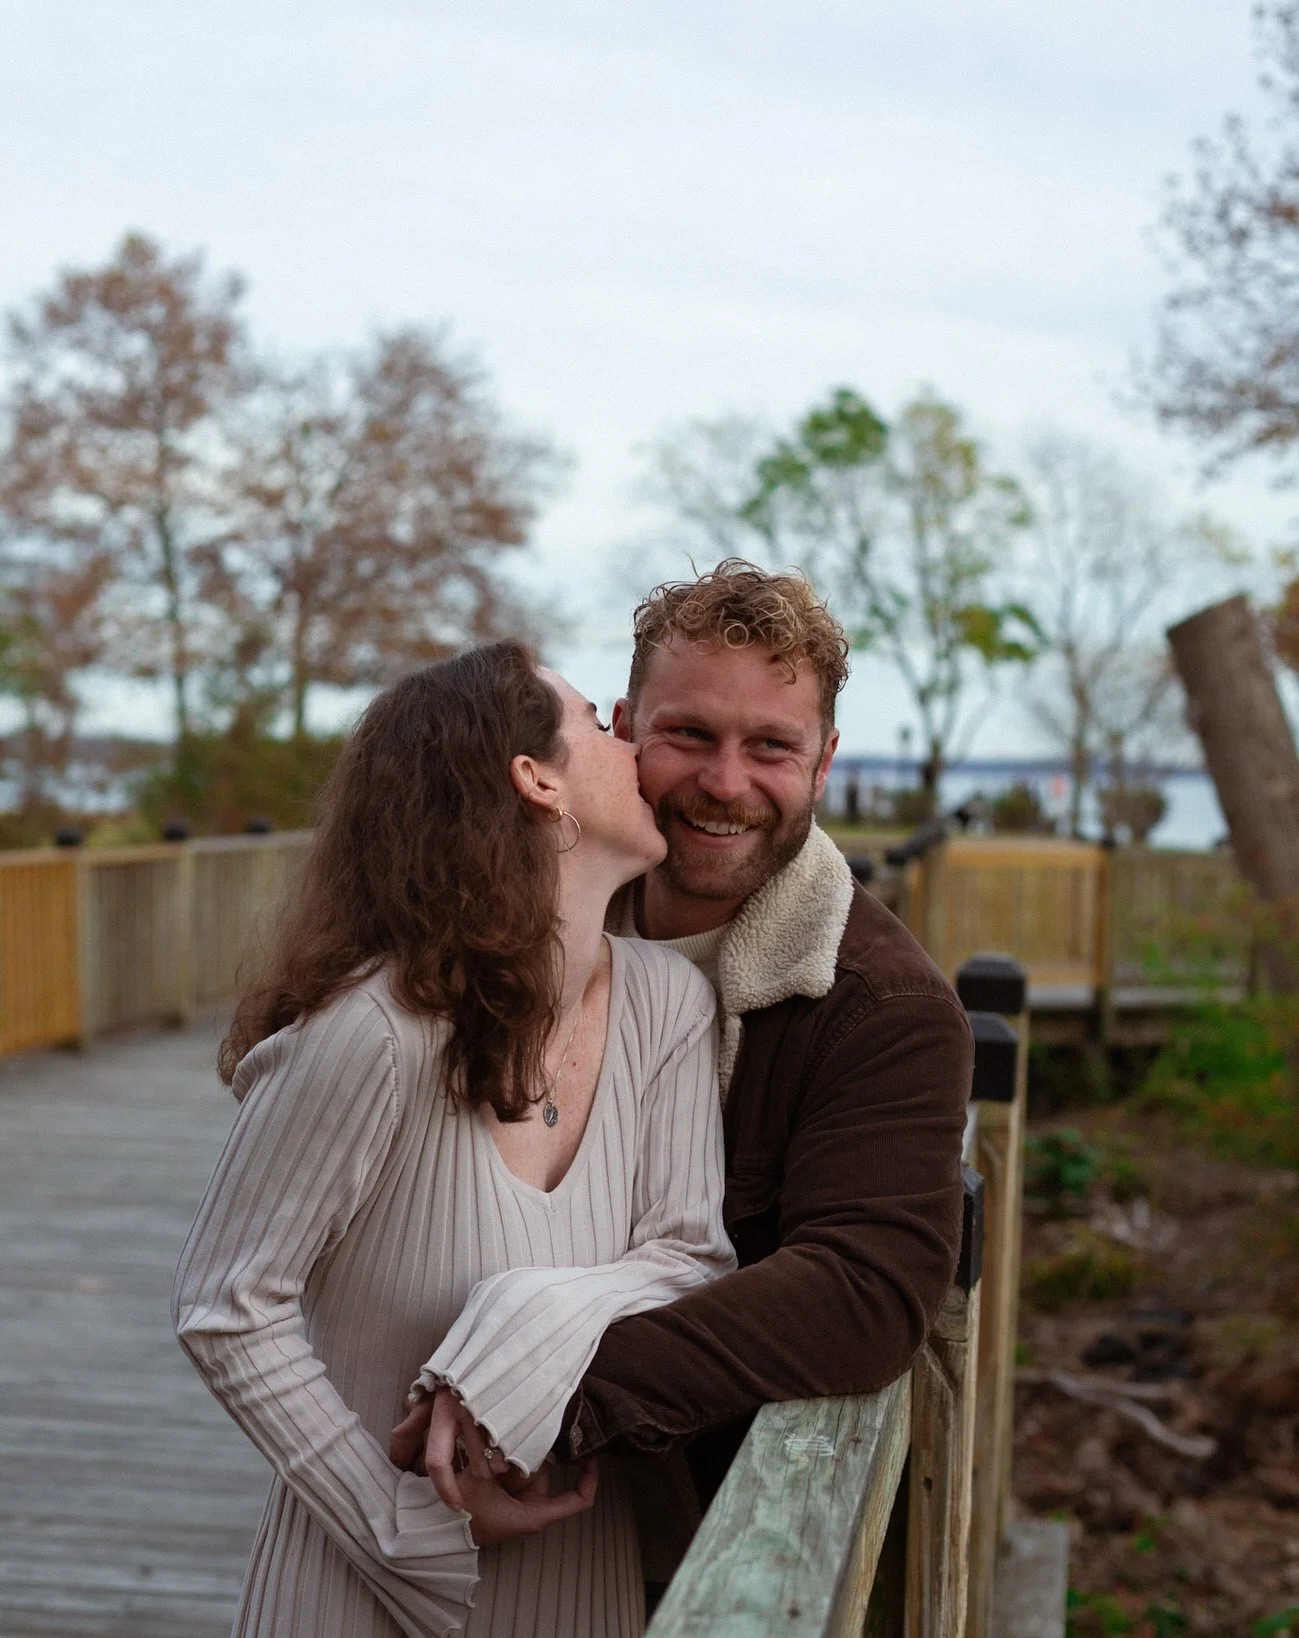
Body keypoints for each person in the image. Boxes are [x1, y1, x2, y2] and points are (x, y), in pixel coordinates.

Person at [394, 561, 973, 1569]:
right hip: (435, 1490)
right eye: (691, 734)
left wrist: (535, 1383)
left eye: (771, 747)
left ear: (825, 760)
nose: (724, 782)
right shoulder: (505, 934)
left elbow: (862, 1290)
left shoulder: (885, 1009)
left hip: (697, 1537)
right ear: (623, 728)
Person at [172, 641, 736, 1638]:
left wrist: (531, 1317)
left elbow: (692, 1257)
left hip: (575, 1585)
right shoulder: (376, 1031)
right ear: (536, 779)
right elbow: (226, 1304)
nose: (632, 742)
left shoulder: (670, 1005)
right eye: (600, 728)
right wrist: (402, 1527)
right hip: (351, 1589)